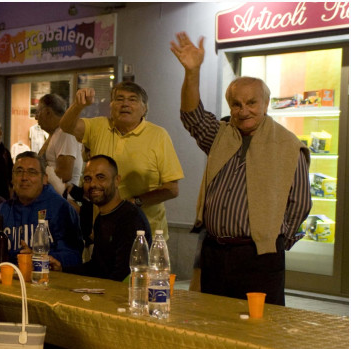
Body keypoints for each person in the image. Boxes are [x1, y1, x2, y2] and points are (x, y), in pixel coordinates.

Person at [170, 32, 311, 306]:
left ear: (266, 104)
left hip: (259, 255)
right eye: (236, 104)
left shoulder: (288, 145)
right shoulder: (220, 134)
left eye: (251, 103)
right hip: (214, 251)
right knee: (215, 322)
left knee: (260, 327)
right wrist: (192, 72)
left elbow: (300, 203)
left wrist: (274, 239)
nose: (243, 110)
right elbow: (192, 116)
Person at [60, 81, 184, 240]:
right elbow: (66, 126)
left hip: (146, 234)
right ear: (111, 106)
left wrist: (134, 203)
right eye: (119, 99)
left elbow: (172, 189)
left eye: (132, 99)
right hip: (105, 232)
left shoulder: (159, 135)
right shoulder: (99, 126)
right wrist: (78, 105)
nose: (125, 104)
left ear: (144, 109)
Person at [0, 151, 82, 268]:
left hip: (48, 280)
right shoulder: (2, 210)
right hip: (11, 280)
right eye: (19, 172)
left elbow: (73, 255)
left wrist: (39, 259)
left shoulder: (60, 208)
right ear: (12, 178)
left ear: (44, 178)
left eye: (32, 172)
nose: (24, 178)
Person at [52, 155, 151, 281]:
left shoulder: (130, 218)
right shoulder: (101, 218)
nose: (93, 184)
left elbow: (122, 276)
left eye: (100, 177)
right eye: (88, 179)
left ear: (117, 180)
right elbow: (97, 268)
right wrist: (62, 269)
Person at [35, 94, 84, 195]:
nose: (36, 117)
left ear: (47, 111)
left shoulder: (64, 133)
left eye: (38, 112)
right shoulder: (56, 133)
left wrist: (37, 180)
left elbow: (65, 174)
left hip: (63, 199)